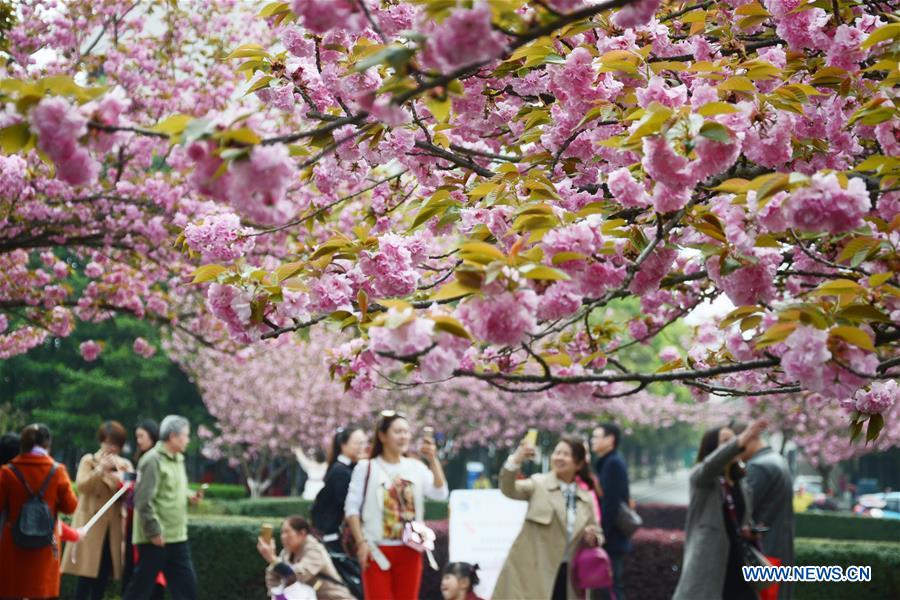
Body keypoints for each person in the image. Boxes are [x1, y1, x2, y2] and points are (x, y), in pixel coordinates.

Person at [344, 411, 448, 600]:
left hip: (411, 549)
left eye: (407, 432)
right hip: (376, 549)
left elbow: (440, 494)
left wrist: (432, 459)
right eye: (398, 431)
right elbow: (351, 508)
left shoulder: (415, 467)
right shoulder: (366, 467)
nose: (404, 436)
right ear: (382, 436)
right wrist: (361, 543)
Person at [494, 434, 603, 600]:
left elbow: (598, 532)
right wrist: (516, 459)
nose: (559, 457)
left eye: (566, 454)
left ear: (579, 463)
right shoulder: (538, 484)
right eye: (557, 452)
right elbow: (508, 489)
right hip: (533, 574)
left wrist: (593, 536)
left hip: (569, 576)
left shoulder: (586, 497)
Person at [673, 419, 767, 600]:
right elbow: (710, 466)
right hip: (711, 565)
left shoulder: (740, 483)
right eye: (726, 441)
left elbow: (738, 521)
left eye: (734, 439)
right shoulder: (702, 479)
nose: (734, 444)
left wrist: (748, 531)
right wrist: (745, 436)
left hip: (739, 562)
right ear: (711, 447)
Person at [124, 415, 203, 600]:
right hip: (155, 539)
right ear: (174, 436)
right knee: (140, 591)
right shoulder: (152, 460)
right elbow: (142, 500)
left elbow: (171, 488)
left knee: (187, 590)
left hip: (177, 537)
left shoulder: (179, 459)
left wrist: (189, 495)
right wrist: (153, 531)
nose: (188, 440)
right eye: (186, 435)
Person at [0, 424, 79, 600]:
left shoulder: (8, 472)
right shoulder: (57, 471)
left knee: (12, 589)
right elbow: (71, 507)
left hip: (14, 542)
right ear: (47, 445)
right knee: (42, 590)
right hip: (46, 545)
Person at [62, 420, 135, 600]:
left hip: (111, 527)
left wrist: (117, 472)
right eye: (108, 443)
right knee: (85, 574)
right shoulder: (89, 460)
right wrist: (101, 470)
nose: (111, 448)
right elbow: (82, 486)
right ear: (101, 441)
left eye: (116, 444)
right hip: (90, 524)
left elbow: (130, 492)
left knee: (103, 573)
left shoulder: (125, 465)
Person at [740, 426, 794, 600]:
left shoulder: (759, 467)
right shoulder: (777, 461)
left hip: (762, 555)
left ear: (751, 438)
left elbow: (740, 512)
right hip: (777, 553)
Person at [257, 515, 355, 600]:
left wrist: (272, 558)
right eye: (282, 533)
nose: (283, 536)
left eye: (287, 532)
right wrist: (278, 595)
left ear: (302, 533)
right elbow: (272, 574)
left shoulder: (314, 550)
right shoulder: (286, 553)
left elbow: (297, 575)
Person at [123, 419, 164, 598]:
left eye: (141, 436)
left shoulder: (154, 459)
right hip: (137, 519)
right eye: (137, 436)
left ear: (152, 436)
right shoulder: (145, 458)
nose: (138, 440)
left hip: (146, 522)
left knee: (145, 572)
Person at [312, 426, 368, 553]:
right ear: (343, 445)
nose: (363, 447)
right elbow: (349, 507)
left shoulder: (347, 468)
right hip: (334, 538)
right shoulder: (340, 471)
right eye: (358, 443)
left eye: (364, 443)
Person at [591, 422, 631, 600]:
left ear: (610, 440)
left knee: (611, 586)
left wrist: (602, 533)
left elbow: (610, 504)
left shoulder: (613, 463)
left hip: (612, 536)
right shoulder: (610, 461)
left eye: (596, 436)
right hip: (612, 535)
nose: (592, 441)